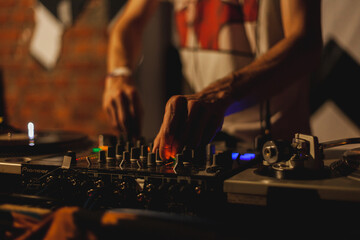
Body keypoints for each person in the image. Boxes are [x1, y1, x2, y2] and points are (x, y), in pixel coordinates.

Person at [102, 0, 322, 160]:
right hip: (208, 142)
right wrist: (119, 74)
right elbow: (129, 23)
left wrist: (220, 94)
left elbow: (305, 42)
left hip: (281, 149)